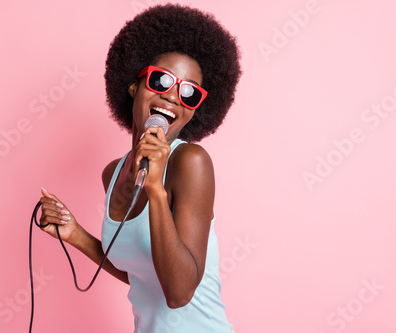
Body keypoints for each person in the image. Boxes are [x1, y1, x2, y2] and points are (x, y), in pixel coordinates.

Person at [38, 4, 241, 332]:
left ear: (195, 110)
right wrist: (75, 234)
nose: (173, 97)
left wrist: (156, 190)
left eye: (189, 93)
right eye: (161, 80)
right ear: (135, 84)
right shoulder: (113, 174)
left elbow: (178, 292)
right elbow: (143, 276)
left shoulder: (190, 163)